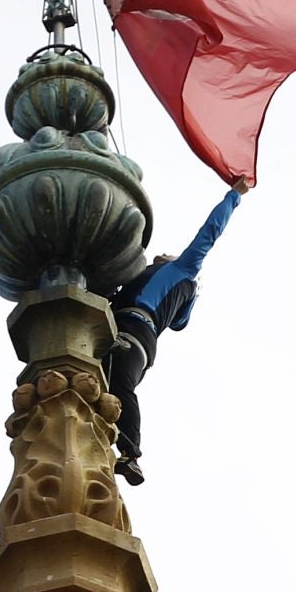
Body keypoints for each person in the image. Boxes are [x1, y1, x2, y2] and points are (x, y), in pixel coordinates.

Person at [103, 180, 249, 485]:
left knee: (120, 385)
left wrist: (234, 195)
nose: (164, 254)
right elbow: (181, 323)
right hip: (136, 336)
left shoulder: (184, 270)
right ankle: (113, 447)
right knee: (109, 390)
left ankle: (131, 452)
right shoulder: (141, 278)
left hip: (131, 330)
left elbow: (209, 232)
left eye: (166, 256)